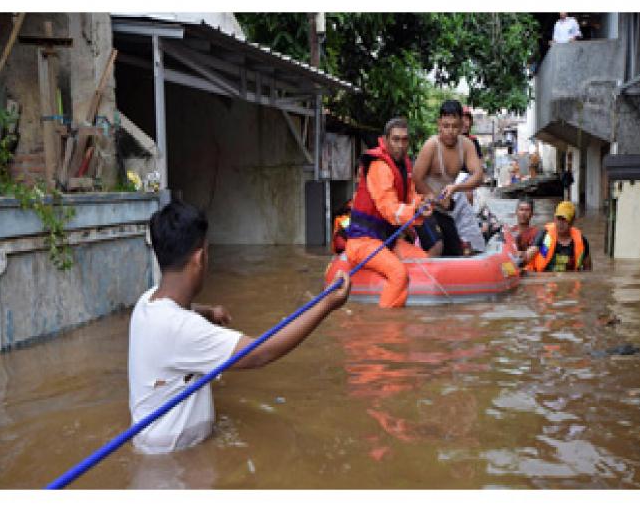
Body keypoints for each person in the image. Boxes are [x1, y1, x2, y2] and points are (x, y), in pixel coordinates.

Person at [128, 201, 351, 453]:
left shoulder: (146, 303)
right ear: (200, 258)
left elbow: (180, 313)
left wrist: (209, 311)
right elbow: (259, 352)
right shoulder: (183, 330)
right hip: (177, 458)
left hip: (154, 445)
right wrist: (326, 306)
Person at [344, 117, 431, 308]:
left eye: (405, 140)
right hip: (363, 242)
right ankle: (385, 328)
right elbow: (389, 209)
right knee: (398, 273)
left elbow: (410, 199)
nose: (401, 145)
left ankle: (401, 309)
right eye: (396, 139)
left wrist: (422, 205)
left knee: (424, 261)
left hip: (386, 239)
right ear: (385, 140)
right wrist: (415, 211)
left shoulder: (405, 165)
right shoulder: (379, 166)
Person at [412, 99, 484, 256]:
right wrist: (433, 197)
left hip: (445, 207)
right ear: (439, 124)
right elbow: (416, 179)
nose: (450, 131)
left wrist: (456, 188)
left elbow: (479, 177)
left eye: (455, 126)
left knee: (457, 252)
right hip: (424, 207)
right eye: (446, 126)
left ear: (462, 125)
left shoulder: (466, 145)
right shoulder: (431, 145)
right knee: (437, 245)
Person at [523, 200, 592, 272]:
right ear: (554, 219)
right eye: (558, 219)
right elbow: (529, 255)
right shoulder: (544, 235)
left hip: (570, 280)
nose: (560, 223)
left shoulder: (582, 241)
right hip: (545, 279)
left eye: (564, 220)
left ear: (572, 222)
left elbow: (588, 269)